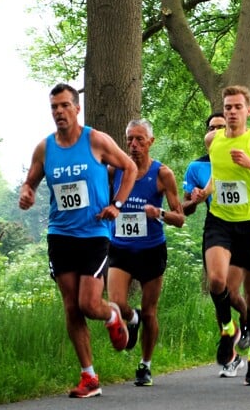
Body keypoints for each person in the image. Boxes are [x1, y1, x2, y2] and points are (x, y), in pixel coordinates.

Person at [18, 83, 138, 399]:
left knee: (89, 303)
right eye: (54, 107)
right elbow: (30, 180)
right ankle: (89, 377)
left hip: (94, 235)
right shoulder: (44, 149)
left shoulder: (95, 141)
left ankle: (111, 314)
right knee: (72, 308)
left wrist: (118, 204)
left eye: (63, 106)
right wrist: (26, 192)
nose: (58, 112)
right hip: (60, 236)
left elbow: (130, 167)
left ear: (76, 108)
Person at [195, 85, 250, 385]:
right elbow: (218, 174)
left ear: (248, 110)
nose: (231, 112)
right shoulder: (212, 140)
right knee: (217, 281)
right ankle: (228, 329)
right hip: (220, 220)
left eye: (237, 107)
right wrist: (202, 192)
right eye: (227, 107)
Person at [107, 119, 186, 388]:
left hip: (151, 250)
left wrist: (159, 213)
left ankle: (145, 365)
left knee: (151, 311)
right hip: (120, 247)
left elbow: (180, 218)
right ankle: (132, 317)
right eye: (130, 139)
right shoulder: (114, 169)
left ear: (151, 141)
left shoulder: (162, 173)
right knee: (116, 303)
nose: (134, 145)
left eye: (140, 139)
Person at [183, 113, 250, 366]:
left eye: (221, 127)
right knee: (217, 286)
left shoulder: (244, 157)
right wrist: (194, 199)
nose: (216, 132)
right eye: (212, 127)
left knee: (232, 292)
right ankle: (229, 337)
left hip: (244, 229)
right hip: (217, 229)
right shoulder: (196, 167)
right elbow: (185, 207)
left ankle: (244, 320)